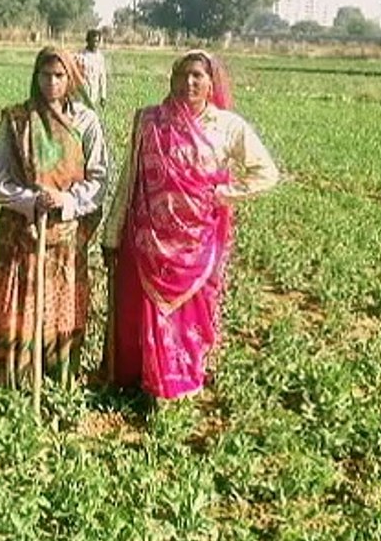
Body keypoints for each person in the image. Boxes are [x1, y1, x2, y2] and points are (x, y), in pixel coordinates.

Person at [103, 50, 279, 400]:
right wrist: (113, 232)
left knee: (190, 313)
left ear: (211, 82)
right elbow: (129, 179)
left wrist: (224, 193)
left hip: (197, 245)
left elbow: (266, 173)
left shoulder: (229, 127)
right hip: (147, 239)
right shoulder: (149, 121)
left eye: (198, 75)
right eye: (183, 75)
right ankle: (141, 380)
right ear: (172, 79)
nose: (190, 82)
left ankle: (180, 381)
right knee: (141, 310)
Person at [0, 47, 109, 388]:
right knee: (20, 300)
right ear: (35, 77)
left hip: (65, 232)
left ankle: (56, 375)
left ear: (70, 79)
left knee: (61, 301)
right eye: (44, 75)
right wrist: (31, 199)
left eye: (59, 76)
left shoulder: (86, 122)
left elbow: (98, 179)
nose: (51, 83)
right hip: (22, 229)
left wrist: (66, 200)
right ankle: (13, 375)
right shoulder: (17, 119)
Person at [76, 29, 108, 110]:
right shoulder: (80, 56)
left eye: (97, 41)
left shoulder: (100, 58)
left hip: (94, 94)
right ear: (88, 41)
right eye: (93, 41)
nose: (95, 44)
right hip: (81, 95)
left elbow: (102, 77)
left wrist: (103, 96)